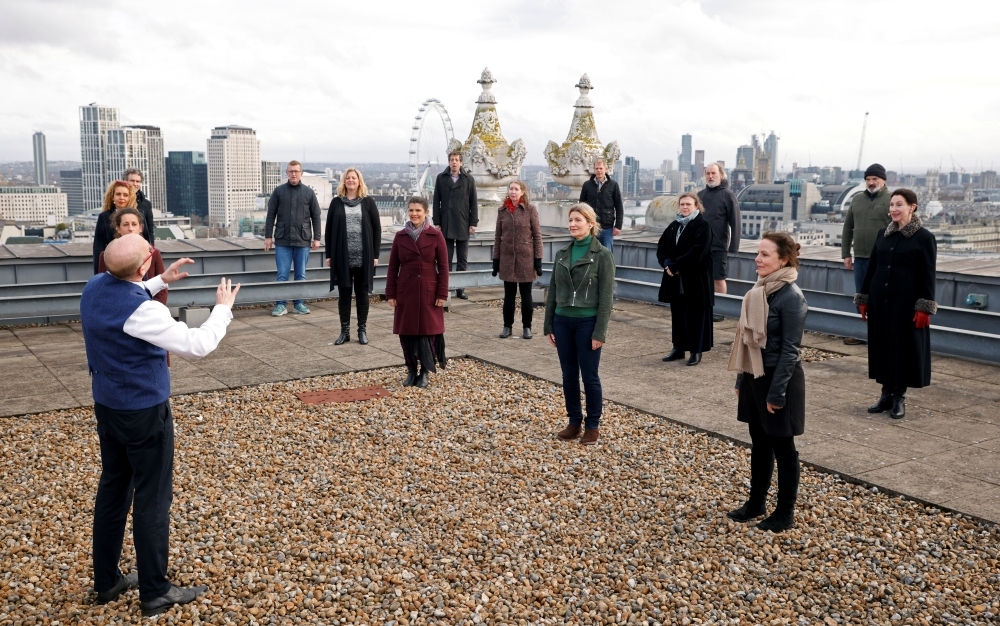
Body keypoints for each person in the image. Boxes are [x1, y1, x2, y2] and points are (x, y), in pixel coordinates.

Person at [81, 234, 239, 616]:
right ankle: (155, 591)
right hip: (143, 411)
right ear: (141, 266)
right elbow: (198, 345)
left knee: (114, 488)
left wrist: (160, 280)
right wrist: (223, 309)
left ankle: (107, 581)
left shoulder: (93, 287)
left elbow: (126, 294)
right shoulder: (143, 312)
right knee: (152, 497)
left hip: (108, 405)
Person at [727, 231, 807, 532]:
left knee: (784, 449)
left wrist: (776, 394)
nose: (757, 259)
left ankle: (784, 513)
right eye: (757, 253)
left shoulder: (791, 298)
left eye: (764, 255)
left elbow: (790, 351)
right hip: (754, 377)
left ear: (783, 260)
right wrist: (741, 378)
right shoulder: (760, 290)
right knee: (760, 444)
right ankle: (756, 503)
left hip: (778, 381)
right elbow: (747, 340)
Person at [855, 189, 937, 419]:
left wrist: (924, 306)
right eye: (891, 205)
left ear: (912, 207)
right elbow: (872, 267)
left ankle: (899, 396)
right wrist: (863, 297)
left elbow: (928, 274)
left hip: (906, 304)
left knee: (902, 349)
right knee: (882, 347)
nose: (893, 209)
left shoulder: (924, 237)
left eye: (899, 205)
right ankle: (885, 394)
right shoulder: (884, 234)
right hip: (881, 302)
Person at [544, 203, 615, 446]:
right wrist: (549, 325)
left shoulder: (603, 255)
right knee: (568, 375)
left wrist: (600, 331)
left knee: (590, 376)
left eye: (578, 220)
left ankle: (592, 425)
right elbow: (553, 289)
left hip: (587, 323)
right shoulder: (562, 253)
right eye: (571, 220)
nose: (573, 224)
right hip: (562, 321)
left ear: (590, 224)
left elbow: (607, 297)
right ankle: (574, 420)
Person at [386, 197, 449, 388]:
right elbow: (392, 267)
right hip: (406, 290)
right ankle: (411, 370)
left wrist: (442, 294)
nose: (414, 214)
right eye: (411, 210)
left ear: (426, 212)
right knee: (406, 334)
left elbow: (444, 267)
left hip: (428, 291)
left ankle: (425, 372)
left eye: (418, 211)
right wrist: (391, 293)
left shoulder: (436, 235)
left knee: (427, 334)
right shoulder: (400, 236)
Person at [656, 192, 714, 366]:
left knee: (695, 315)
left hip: (696, 279)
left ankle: (696, 351)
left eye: (688, 204)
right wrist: (666, 263)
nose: (685, 207)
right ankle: (678, 348)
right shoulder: (674, 226)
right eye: (682, 204)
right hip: (675, 280)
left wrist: (677, 265)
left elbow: (698, 251)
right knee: (678, 314)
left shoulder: (702, 225)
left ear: (696, 206)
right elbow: (662, 246)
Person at [325, 168, 382, 345]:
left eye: (353, 178)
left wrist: (375, 254)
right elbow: (328, 230)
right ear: (344, 181)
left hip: (364, 256)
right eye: (347, 178)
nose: (350, 180)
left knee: (362, 293)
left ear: (359, 181)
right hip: (342, 256)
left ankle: (362, 331)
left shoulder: (368, 202)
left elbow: (377, 229)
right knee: (344, 293)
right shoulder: (336, 203)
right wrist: (329, 255)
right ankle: (345, 332)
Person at [841, 163, 892, 345]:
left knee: (881, 296)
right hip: (861, 257)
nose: (871, 183)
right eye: (868, 179)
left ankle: (881, 333)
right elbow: (848, 227)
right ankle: (862, 332)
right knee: (861, 296)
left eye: (874, 179)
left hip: (883, 259)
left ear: (883, 180)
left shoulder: (892, 200)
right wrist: (846, 253)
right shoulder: (857, 199)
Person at [264, 160, 321, 317]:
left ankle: (298, 303)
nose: (293, 173)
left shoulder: (309, 193)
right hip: (282, 240)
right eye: (290, 171)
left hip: (303, 240)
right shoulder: (279, 191)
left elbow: (316, 216)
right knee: (282, 274)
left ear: (301, 173)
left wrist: (317, 238)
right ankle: (281, 304)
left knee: (300, 274)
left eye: (296, 171)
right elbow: (270, 215)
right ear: (287, 173)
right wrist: (268, 236)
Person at [493, 180, 543, 339]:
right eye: (511, 189)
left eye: (516, 189)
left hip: (525, 258)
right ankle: (507, 326)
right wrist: (496, 259)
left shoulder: (530, 210)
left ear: (522, 192)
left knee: (526, 294)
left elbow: (537, 236)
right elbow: (497, 237)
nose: (513, 192)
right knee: (509, 295)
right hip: (507, 259)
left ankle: (527, 327)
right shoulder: (502, 211)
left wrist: (538, 259)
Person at [698, 163, 741, 322]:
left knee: (718, 278)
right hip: (700, 246)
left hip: (718, 246)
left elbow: (735, 222)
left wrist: (734, 246)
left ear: (721, 175)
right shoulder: (700, 195)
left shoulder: (728, 195)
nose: (710, 176)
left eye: (713, 173)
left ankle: (719, 310)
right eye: (708, 173)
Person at [98, 208, 168, 305]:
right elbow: (105, 287)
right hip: (121, 308)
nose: (130, 228)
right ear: (118, 228)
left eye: (134, 224)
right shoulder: (106, 255)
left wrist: (154, 309)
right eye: (125, 224)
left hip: (150, 308)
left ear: (140, 227)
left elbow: (162, 286)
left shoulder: (153, 252)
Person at [433, 151, 478, 300]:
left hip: (463, 223)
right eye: (452, 160)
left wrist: (473, 223)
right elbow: (436, 202)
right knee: (446, 258)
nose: (454, 162)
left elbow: (473, 203)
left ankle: (460, 288)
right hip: (446, 222)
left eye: (456, 160)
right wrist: (437, 222)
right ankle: (447, 287)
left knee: (462, 259)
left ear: (460, 162)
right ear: (449, 162)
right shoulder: (441, 178)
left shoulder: (468, 179)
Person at [578, 158, 623, 254]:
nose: (598, 171)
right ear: (594, 170)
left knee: (606, 254)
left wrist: (618, 225)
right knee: (589, 254)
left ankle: (607, 270)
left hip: (607, 228)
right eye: (597, 168)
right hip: (590, 227)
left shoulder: (613, 185)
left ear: (606, 169)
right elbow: (581, 206)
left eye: (601, 168)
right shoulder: (587, 185)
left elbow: (619, 206)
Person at [93, 180, 136, 274]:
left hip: (134, 265)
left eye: (125, 195)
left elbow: (146, 241)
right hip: (112, 266)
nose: (121, 198)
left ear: (130, 197)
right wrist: (98, 273)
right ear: (112, 196)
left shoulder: (137, 216)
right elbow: (98, 246)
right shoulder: (104, 217)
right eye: (118, 194)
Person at [124, 168, 156, 246]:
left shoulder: (146, 204)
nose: (135, 184)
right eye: (132, 180)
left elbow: (150, 231)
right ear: (125, 181)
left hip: (140, 246)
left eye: (138, 181)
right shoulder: (119, 201)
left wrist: (151, 250)